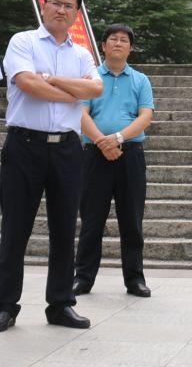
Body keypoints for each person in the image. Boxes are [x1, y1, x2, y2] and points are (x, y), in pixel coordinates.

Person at [0, 0, 103, 333]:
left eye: (69, 6)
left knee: (65, 228)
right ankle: (5, 306)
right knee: (15, 228)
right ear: (44, 5)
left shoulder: (82, 53)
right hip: (25, 145)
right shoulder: (23, 41)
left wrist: (50, 79)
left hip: (67, 148)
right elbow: (26, 84)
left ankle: (61, 303)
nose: (62, 10)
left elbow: (95, 89)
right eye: (55, 3)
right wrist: (70, 90)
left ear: (76, 13)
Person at [73, 23, 155, 298]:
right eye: (113, 39)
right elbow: (81, 114)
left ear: (131, 48)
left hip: (130, 154)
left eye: (124, 40)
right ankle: (82, 277)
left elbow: (145, 116)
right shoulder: (91, 77)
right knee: (91, 220)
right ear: (104, 46)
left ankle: (135, 279)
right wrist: (101, 142)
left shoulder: (140, 80)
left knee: (132, 220)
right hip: (94, 156)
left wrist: (118, 138)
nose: (118, 43)